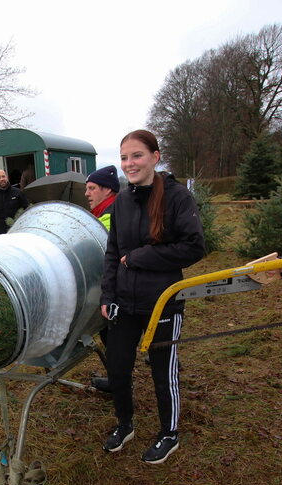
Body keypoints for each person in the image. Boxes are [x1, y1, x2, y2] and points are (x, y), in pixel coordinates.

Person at [100, 130, 205, 464]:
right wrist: (108, 294)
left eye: (137, 156)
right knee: (117, 368)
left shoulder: (176, 197)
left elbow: (193, 247)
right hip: (124, 303)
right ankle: (125, 424)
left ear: (155, 157)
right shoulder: (122, 202)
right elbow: (113, 250)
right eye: (125, 158)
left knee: (164, 371)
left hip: (163, 300)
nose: (130, 164)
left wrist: (143, 257)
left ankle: (168, 433)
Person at [86, 165, 120, 393]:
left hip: (116, 289)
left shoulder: (109, 217)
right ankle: (116, 380)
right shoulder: (103, 213)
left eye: (91, 188)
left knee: (113, 337)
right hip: (110, 287)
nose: (87, 193)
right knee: (109, 335)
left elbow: (95, 249)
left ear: (107, 190)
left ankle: (119, 385)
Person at [0, 169, 29, 237]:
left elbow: (27, 211)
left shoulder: (18, 193)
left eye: (3, 176)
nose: (2, 179)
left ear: (7, 177)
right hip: (1, 234)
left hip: (17, 232)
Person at [85, 165, 118, 231]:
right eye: (86, 189)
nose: (86, 194)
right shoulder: (117, 208)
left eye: (92, 188)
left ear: (108, 189)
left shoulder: (110, 217)